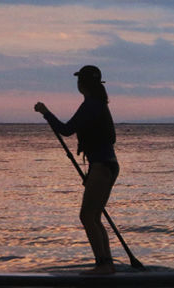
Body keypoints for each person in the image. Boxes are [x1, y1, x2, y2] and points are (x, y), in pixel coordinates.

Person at [35, 65, 119, 274]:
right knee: (94, 216)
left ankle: (103, 265)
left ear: (84, 84)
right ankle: (106, 263)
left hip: (102, 167)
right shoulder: (99, 105)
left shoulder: (91, 105)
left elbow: (66, 130)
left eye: (79, 80)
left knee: (87, 216)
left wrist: (46, 113)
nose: (78, 84)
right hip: (105, 165)